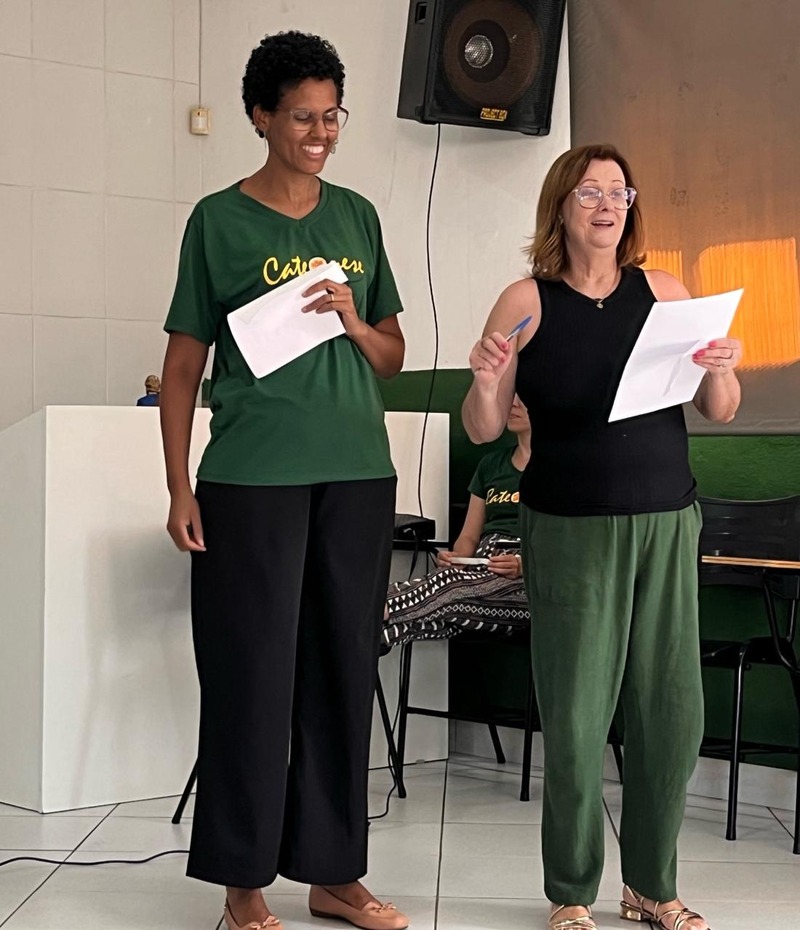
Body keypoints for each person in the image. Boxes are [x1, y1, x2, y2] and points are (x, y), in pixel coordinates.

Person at [159, 31, 409, 930]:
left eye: (332, 116)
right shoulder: (216, 222)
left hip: (357, 475)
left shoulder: (359, 218)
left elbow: (391, 355)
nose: (320, 133)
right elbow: (183, 366)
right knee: (251, 677)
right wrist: (180, 487)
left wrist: (352, 318)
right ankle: (243, 882)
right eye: (302, 117)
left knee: (342, 674)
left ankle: (335, 875)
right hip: (250, 481)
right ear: (261, 117)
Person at [462, 143, 741, 930]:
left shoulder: (665, 291)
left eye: (620, 192)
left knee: (671, 714)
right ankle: (572, 892)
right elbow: (483, 425)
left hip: (666, 521)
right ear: (561, 205)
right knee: (579, 718)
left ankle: (651, 886)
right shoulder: (526, 299)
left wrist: (723, 365)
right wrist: (485, 381)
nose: (608, 204)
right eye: (590, 191)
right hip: (570, 529)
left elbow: (718, 407)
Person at [383, 398, 530, 648]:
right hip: (479, 572)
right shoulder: (491, 465)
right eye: (511, 395)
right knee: (432, 611)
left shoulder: (564, 470)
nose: (513, 404)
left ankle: (368, 610)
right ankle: (362, 631)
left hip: (527, 585)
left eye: (523, 397)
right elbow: (469, 537)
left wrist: (524, 565)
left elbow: (574, 547)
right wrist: (458, 558)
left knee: (449, 588)